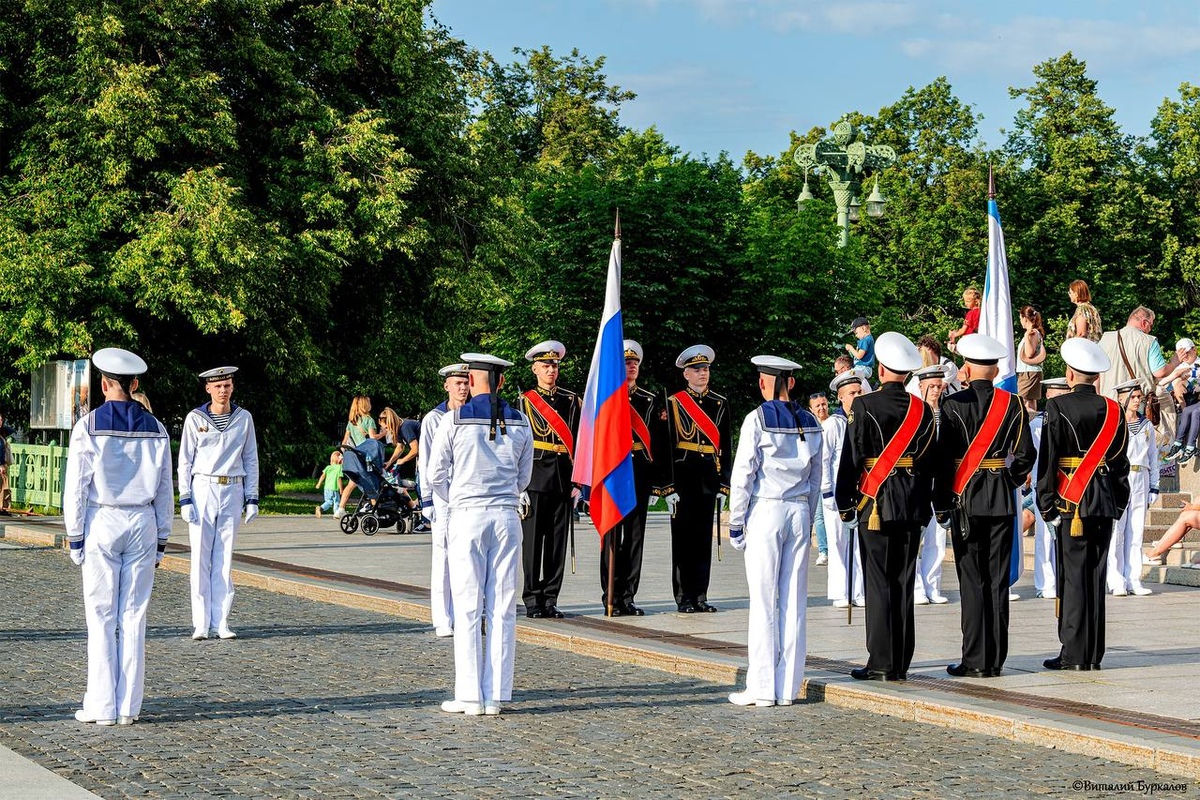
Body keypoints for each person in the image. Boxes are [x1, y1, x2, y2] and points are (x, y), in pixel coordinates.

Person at [64, 348, 173, 726]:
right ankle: (128, 707)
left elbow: (76, 488)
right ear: (135, 384)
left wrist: (74, 535)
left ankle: (101, 707)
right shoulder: (157, 429)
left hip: (103, 518)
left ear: (104, 383)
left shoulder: (89, 427)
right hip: (142, 519)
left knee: (100, 616)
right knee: (134, 615)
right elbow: (164, 489)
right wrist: (162, 536)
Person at [427, 353, 533, 716]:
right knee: (503, 605)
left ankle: (470, 694)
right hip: (506, 516)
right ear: (501, 382)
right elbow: (524, 478)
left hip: (468, 515)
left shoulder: (453, 419)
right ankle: (498, 694)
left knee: (468, 604)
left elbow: (435, 475)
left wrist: (456, 498)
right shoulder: (521, 422)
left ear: (471, 382)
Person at [934, 335, 1036, 678]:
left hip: (965, 499)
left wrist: (942, 502)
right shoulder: (1015, 405)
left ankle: (973, 657)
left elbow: (944, 460)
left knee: (971, 580)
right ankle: (995, 659)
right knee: (995, 581)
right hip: (1000, 501)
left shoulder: (951, 405)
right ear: (994, 370)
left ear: (966, 368)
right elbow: (1025, 456)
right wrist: (1006, 479)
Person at [836, 332, 936, 681]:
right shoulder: (922, 410)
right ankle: (900, 661)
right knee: (904, 582)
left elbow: (851, 457)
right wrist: (926, 507)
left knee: (878, 582)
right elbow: (929, 463)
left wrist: (845, 503)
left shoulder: (864, 406)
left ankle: (880, 661)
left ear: (880, 370)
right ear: (907, 374)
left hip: (874, 501)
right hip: (910, 503)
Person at [727, 356, 822, 708]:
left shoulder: (757, 419)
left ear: (766, 382)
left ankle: (762, 688)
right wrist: (808, 518)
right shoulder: (812, 421)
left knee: (764, 602)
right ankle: (787, 688)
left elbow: (743, 474)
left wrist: (736, 522)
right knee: (794, 603)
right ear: (792, 383)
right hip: (798, 509)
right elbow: (816, 477)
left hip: (767, 508)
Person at [1037, 338, 1130, 671]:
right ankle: (1093, 652)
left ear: (1070, 372)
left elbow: (1048, 460)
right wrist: (1119, 502)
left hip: (1072, 501)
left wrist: (1046, 503)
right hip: (1103, 499)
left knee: (1074, 578)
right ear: (1096, 377)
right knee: (1095, 575)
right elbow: (1120, 464)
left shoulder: (1058, 408)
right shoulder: (1114, 410)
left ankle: (1073, 654)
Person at [178, 366, 260, 641]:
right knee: (200, 558)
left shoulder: (243, 418)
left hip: (233, 487)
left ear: (233, 387)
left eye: (227, 385)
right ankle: (200, 623)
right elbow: (185, 460)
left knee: (224, 559)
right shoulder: (195, 418)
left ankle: (221, 621)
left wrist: (252, 497)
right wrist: (185, 497)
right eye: (218, 386)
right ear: (208, 389)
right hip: (204, 486)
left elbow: (251, 458)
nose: (223, 391)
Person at [662, 345, 732, 613]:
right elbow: (667, 448)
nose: (703, 373)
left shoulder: (719, 402)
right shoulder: (674, 403)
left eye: (705, 369)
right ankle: (683, 597)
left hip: (708, 477)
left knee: (703, 540)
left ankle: (700, 595)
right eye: (696, 370)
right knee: (683, 540)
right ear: (686, 374)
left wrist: (724, 483)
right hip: (683, 477)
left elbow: (725, 446)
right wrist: (667, 487)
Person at [600, 340, 666, 616]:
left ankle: (628, 595)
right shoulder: (606, 396)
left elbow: (658, 444)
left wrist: (659, 485)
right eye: (627, 363)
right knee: (612, 536)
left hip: (639, 471)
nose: (632, 367)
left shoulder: (649, 400)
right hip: (615, 471)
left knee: (635, 538)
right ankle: (610, 595)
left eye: (635, 363)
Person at [519, 340, 581, 619]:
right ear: (535, 369)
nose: (551, 370)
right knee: (532, 543)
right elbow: (517, 445)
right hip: (534, 477)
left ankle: (550, 598)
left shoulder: (570, 400)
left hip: (563, 477)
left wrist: (579, 481)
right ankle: (532, 599)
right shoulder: (524, 401)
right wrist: (517, 485)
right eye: (546, 366)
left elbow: (580, 442)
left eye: (554, 365)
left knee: (557, 543)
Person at [419, 362, 471, 638]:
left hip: (468, 495)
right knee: (443, 558)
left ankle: (466, 613)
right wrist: (427, 499)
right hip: (442, 496)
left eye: (466, 383)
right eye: (457, 383)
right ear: (446, 386)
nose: (462, 388)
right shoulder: (434, 419)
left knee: (469, 558)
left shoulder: (476, 416)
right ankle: (442, 617)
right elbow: (425, 461)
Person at [1107, 380, 1158, 596]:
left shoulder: (1146, 425)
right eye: (1133, 396)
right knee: (1117, 531)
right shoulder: (1115, 424)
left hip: (1141, 476)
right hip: (1120, 477)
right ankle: (1116, 579)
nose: (1137, 400)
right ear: (1122, 398)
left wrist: (1154, 486)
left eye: (1139, 397)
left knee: (1136, 532)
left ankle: (1133, 579)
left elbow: (1154, 456)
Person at [911, 362, 954, 605]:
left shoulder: (947, 412)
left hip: (941, 480)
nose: (936, 390)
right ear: (921, 386)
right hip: (919, 480)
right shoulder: (915, 413)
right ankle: (917, 586)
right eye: (932, 386)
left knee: (938, 536)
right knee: (917, 535)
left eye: (939, 386)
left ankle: (933, 584)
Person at [824, 372, 865, 608]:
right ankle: (841, 591)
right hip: (837, 494)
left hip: (861, 492)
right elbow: (824, 461)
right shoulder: (833, 424)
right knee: (838, 543)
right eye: (852, 393)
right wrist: (828, 492)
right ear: (841, 397)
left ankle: (858, 591)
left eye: (860, 391)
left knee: (859, 544)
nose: (858, 396)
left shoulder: (864, 418)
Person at [1028, 377, 1070, 600]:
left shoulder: (1070, 420)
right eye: (1057, 395)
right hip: (1043, 483)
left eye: (1064, 394)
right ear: (1047, 396)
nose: (1061, 399)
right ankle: (1045, 583)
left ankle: (1063, 579)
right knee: (1044, 536)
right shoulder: (1037, 425)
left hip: (1067, 484)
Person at [335, 396, 383, 519]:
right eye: (369, 402)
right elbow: (372, 440)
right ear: (365, 405)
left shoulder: (352, 422)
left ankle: (340, 509)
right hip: (366, 457)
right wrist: (384, 433)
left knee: (352, 483)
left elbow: (344, 442)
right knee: (371, 482)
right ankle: (374, 511)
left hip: (355, 457)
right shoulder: (369, 420)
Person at [1159, 339, 1200, 463]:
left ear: (1194, 349)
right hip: (1187, 404)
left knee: (1193, 412)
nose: (1185, 356)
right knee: (1188, 410)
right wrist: (1176, 375)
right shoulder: (1177, 367)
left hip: (1196, 402)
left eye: (1187, 352)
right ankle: (1179, 445)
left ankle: (1188, 447)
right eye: (1182, 353)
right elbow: (1160, 384)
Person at [807, 393, 830, 565]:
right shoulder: (810, 427)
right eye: (817, 406)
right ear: (811, 409)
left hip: (832, 477)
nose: (821, 408)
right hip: (817, 478)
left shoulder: (834, 423)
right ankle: (824, 550)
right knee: (819, 516)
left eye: (824, 404)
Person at [1016, 306, 1047, 414]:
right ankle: (1032, 427)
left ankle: (1026, 426)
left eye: (1020, 318)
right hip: (1031, 372)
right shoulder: (1034, 332)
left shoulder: (1032, 333)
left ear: (1024, 318)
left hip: (1029, 372)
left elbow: (1029, 353)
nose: (1020, 322)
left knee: (1023, 402)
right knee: (1030, 403)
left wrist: (1026, 336)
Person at [947, 288, 981, 353]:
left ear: (976, 301)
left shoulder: (970, 313)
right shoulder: (981, 312)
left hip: (968, 341)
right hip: (977, 340)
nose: (965, 304)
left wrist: (953, 335)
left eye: (968, 301)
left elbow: (963, 330)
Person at [315, 451, 345, 517]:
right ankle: (336, 514)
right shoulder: (339, 467)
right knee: (336, 501)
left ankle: (320, 508)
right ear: (339, 460)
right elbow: (339, 479)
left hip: (327, 488)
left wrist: (319, 484)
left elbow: (323, 476)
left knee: (329, 501)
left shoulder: (328, 467)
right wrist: (341, 489)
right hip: (334, 488)